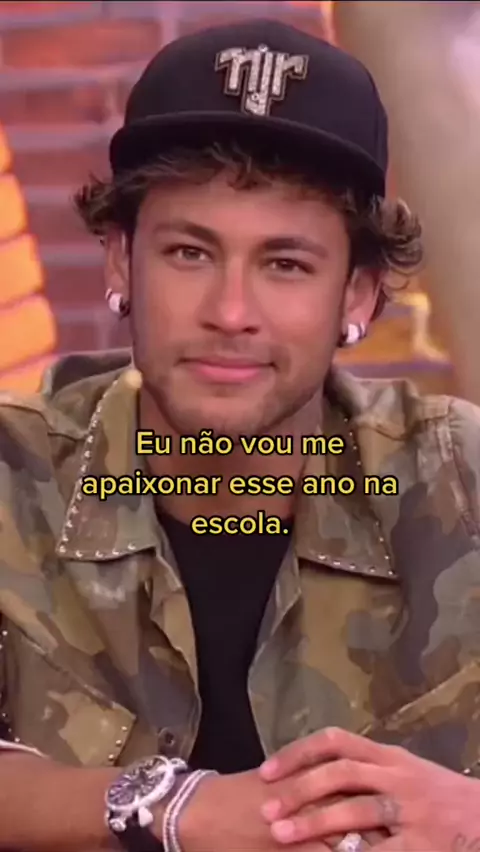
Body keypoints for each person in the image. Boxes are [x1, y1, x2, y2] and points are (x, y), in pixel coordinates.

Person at [0, 15, 479, 852]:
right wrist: (172, 807)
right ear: (120, 261)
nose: (230, 313)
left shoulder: (463, 481)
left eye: (285, 264)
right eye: (189, 253)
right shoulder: (14, 478)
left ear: (358, 295)